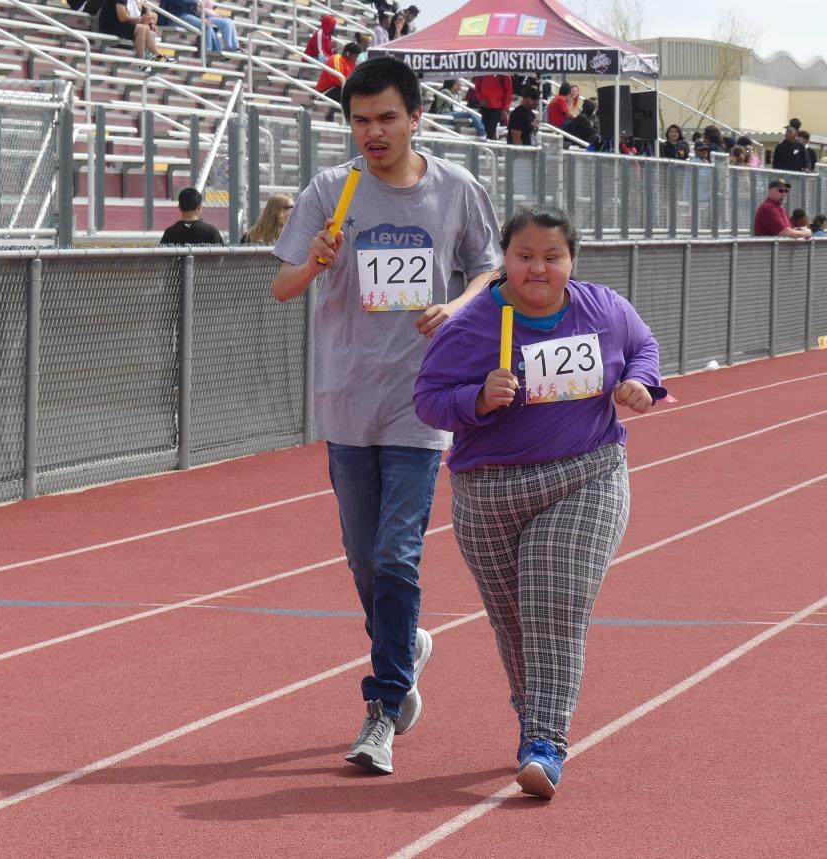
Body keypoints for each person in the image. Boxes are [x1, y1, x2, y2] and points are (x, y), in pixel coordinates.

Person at [270, 55, 501, 776]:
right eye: (360, 120)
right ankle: (406, 645)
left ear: (416, 117)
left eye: (386, 118)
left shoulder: (455, 189)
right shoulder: (330, 192)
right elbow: (281, 286)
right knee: (367, 560)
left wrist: (458, 306)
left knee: (399, 555)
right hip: (347, 399)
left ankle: (383, 705)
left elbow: (487, 267)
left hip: (420, 398)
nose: (372, 132)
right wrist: (313, 260)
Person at [413, 204, 667, 799]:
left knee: (554, 599)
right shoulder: (473, 324)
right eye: (524, 256)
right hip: (489, 492)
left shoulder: (602, 309)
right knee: (514, 621)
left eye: (551, 258)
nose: (537, 269)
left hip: (586, 474)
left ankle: (546, 742)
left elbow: (644, 346)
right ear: (506, 258)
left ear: (570, 260)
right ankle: (534, 715)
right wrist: (476, 398)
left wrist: (641, 384)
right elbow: (428, 399)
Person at [101, 0, 176, 69]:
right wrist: (139, 19)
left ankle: (157, 56)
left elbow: (139, 15)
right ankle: (141, 61)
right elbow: (122, 17)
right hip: (109, 25)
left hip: (119, 24)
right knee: (141, 29)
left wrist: (150, 22)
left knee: (145, 28)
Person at [159, 187, 223, 245]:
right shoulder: (211, 231)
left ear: (179, 207)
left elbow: (161, 256)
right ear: (199, 207)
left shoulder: (170, 232)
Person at [316, 42, 361, 121]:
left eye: (357, 55)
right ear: (348, 53)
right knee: (348, 92)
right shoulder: (337, 59)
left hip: (340, 91)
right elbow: (338, 79)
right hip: (326, 91)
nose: (356, 58)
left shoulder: (354, 65)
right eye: (355, 55)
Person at [474, 74, 512, 141]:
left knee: (490, 129)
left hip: (497, 106)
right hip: (485, 105)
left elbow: (508, 91)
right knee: (487, 127)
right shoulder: (481, 70)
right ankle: (491, 142)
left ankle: (489, 145)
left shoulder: (504, 73)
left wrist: (505, 108)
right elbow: (477, 87)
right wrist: (480, 99)